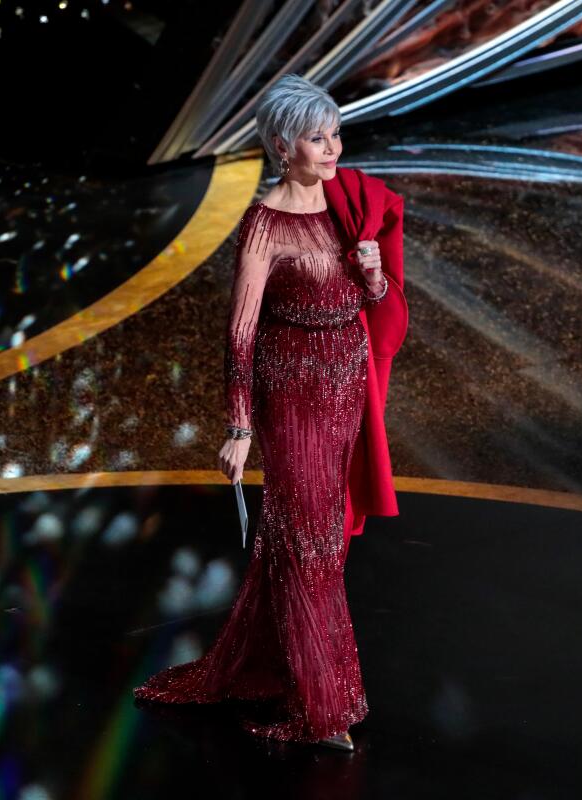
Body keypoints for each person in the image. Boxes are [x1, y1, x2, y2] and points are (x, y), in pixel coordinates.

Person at [134, 73, 408, 752]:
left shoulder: (343, 207)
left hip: (347, 379)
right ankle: (325, 705)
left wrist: (372, 272)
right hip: (293, 390)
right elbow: (240, 334)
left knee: (305, 535)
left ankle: (270, 665)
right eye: (318, 137)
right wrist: (238, 427)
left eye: (335, 133)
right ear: (285, 146)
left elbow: (372, 299)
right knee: (310, 540)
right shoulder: (265, 224)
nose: (333, 148)